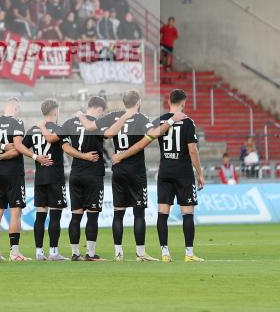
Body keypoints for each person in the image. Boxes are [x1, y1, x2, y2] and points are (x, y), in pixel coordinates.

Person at [98, 90, 179, 261]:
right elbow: (155, 134)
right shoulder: (141, 118)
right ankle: (141, 253)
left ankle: (118, 253)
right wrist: (171, 121)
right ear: (138, 102)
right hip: (135, 171)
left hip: (118, 169)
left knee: (118, 213)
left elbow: (102, 133)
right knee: (138, 213)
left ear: (124, 102)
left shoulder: (114, 116)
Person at [155, 89, 205, 262]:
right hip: (183, 173)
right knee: (187, 213)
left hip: (165, 172)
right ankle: (189, 254)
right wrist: (200, 173)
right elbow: (192, 150)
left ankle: (164, 253)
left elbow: (152, 135)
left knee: (163, 213)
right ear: (183, 102)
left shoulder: (161, 120)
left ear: (169, 101)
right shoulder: (188, 122)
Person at [0, 98, 32, 262]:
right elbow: (17, 149)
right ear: (15, 109)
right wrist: (1, 156)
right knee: (15, 212)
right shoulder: (17, 122)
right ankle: (14, 253)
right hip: (14, 173)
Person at [60, 96, 108, 261]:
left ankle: (74, 254)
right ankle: (91, 254)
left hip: (76, 174)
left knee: (76, 216)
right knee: (92, 215)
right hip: (93, 173)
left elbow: (65, 147)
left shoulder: (68, 123)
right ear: (100, 110)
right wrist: (87, 157)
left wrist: (80, 156)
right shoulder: (99, 123)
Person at [25, 99, 67, 261]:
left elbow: (21, 146)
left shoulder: (34, 129)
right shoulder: (60, 129)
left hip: (40, 177)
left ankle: (38, 252)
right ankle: (54, 252)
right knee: (55, 216)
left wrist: (35, 156)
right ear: (55, 111)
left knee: (40, 215)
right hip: (55, 177)